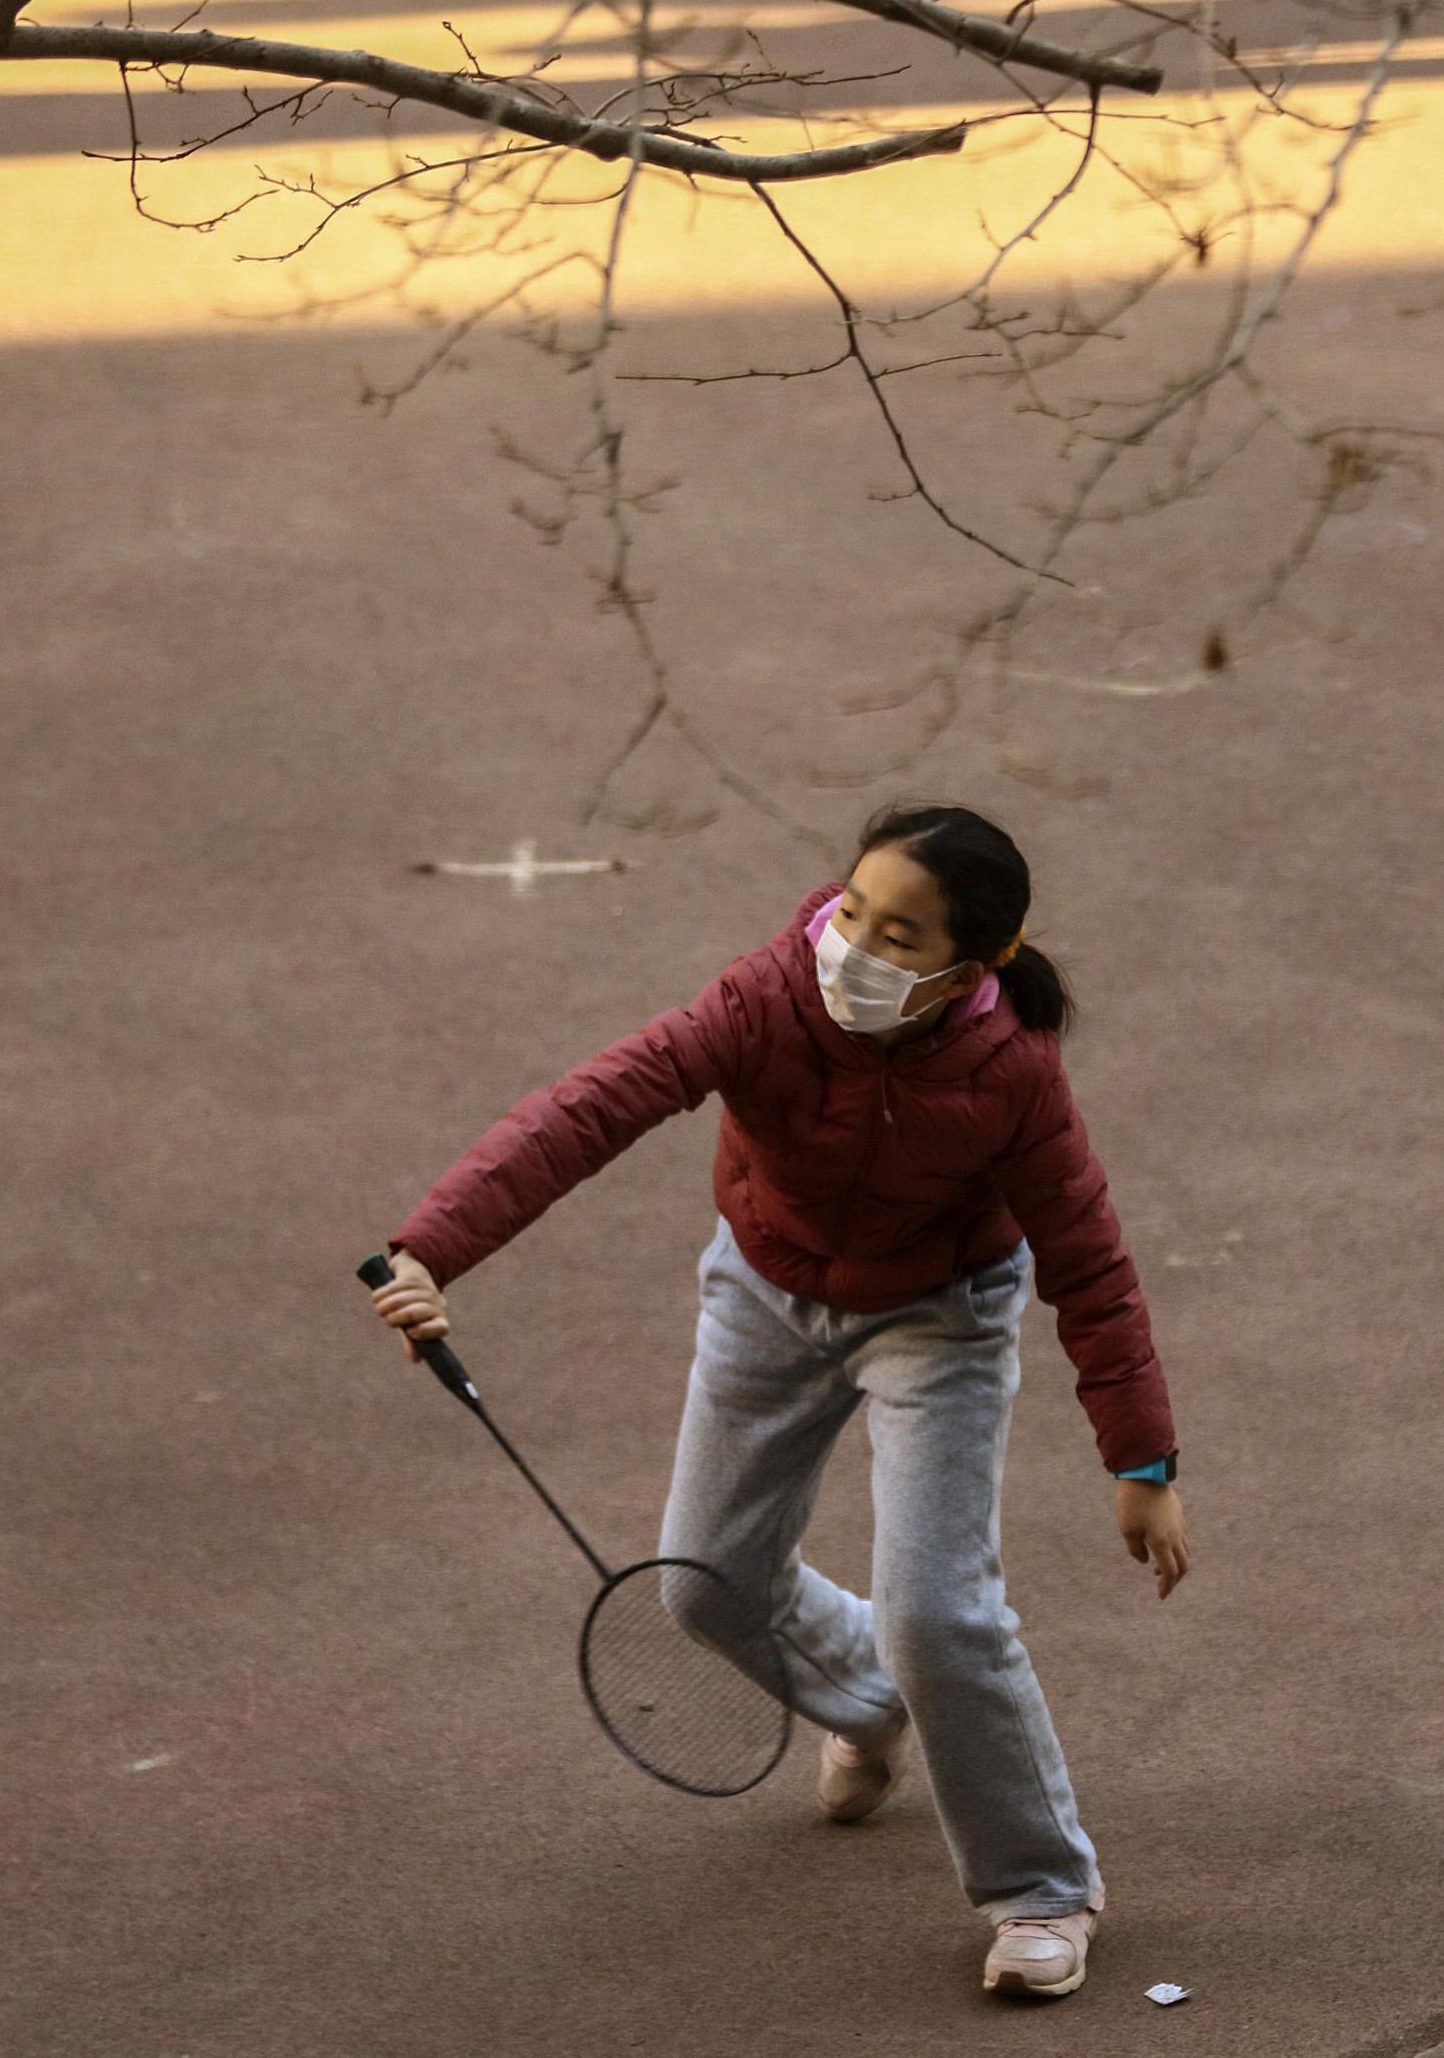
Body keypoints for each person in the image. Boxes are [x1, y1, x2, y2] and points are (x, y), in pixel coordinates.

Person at [365, 804, 1185, 2003]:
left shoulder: (1008, 1069)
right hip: (766, 1288)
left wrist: (1142, 1459)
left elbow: (1086, 1256)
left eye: (898, 933)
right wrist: (433, 1246)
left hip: (938, 1317)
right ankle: (866, 1696)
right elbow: (596, 1102)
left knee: (942, 1613)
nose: (851, 943)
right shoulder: (766, 996)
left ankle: (1041, 1891)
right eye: (851, 909)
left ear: (978, 963)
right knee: (706, 1583)